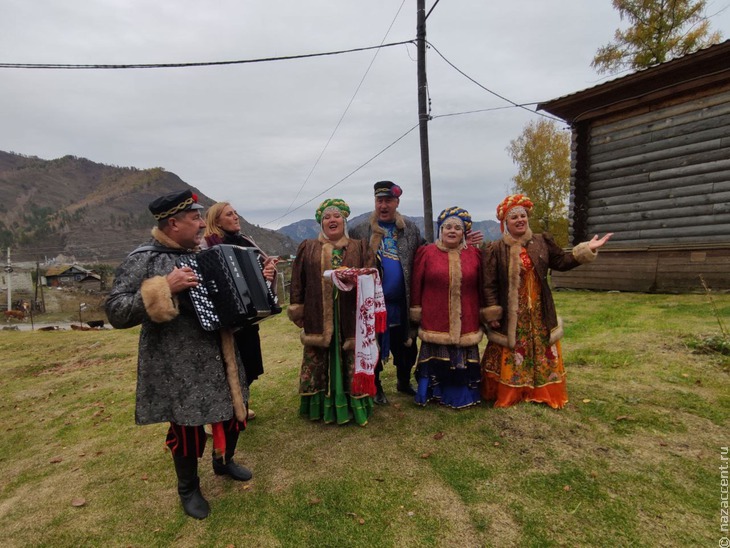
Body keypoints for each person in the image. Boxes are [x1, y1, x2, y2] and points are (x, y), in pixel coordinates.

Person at [105, 190, 252, 521]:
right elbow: (115, 311)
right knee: (186, 427)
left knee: (232, 411)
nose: (202, 224)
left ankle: (223, 461)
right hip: (177, 364)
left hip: (221, 353)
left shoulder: (204, 254)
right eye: (195, 218)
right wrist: (164, 288)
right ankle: (188, 487)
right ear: (173, 223)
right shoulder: (142, 259)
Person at [481, 194, 613, 409]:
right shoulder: (496, 249)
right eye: (514, 217)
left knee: (543, 348)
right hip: (512, 315)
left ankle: (540, 389)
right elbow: (489, 284)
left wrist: (588, 248)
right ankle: (511, 391)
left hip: (540, 311)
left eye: (523, 216)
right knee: (512, 349)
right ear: (506, 222)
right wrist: (492, 313)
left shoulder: (542, 242)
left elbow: (563, 261)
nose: (520, 220)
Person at [288, 198, 378, 426]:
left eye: (336, 215)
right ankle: (319, 407)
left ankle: (354, 405)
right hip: (319, 314)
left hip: (350, 315)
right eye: (326, 217)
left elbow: (373, 276)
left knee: (349, 356)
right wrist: (298, 309)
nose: (332, 220)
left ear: (344, 219)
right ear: (321, 222)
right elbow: (298, 282)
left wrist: (356, 278)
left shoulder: (360, 246)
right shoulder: (308, 247)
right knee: (318, 359)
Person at [202, 201, 280, 420]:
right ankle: (219, 415)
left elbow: (259, 275)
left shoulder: (247, 242)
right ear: (216, 221)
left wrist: (267, 274)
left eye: (235, 213)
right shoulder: (207, 245)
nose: (236, 217)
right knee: (225, 368)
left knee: (249, 363)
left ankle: (242, 405)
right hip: (226, 318)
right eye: (229, 214)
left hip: (249, 315)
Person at [349, 181, 424, 404]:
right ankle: (377, 385)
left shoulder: (409, 229)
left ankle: (403, 380)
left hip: (403, 301)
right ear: (375, 202)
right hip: (372, 303)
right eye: (379, 201)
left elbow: (424, 253)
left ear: (397, 202)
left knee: (407, 345)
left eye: (388, 201)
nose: (383, 205)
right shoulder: (360, 230)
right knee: (374, 344)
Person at [409, 207, 486, 408]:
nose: (452, 231)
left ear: (464, 233)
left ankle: (461, 394)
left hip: (466, 315)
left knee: (462, 351)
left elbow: (482, 285)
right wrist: (416, 309)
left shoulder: (475, 255)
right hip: (435, 315)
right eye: (448, 227)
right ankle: (432, 391)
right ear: (440, 230)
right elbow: (416, 282)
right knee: (436, 351)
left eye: (457, 228)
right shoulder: (426, 253)